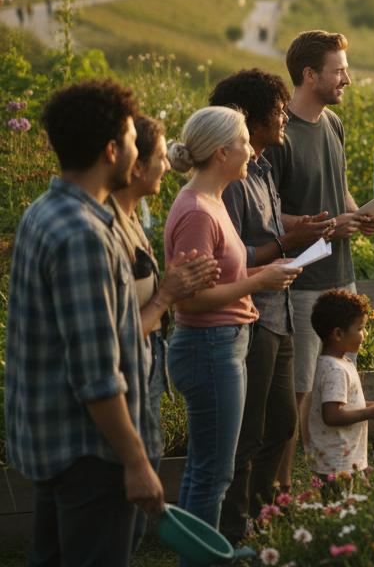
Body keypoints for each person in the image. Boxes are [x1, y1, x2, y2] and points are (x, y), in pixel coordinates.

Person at [6, 81, 160, 566]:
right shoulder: (83, 236)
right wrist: (136, 461)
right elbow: (96, 375)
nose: (136, 152)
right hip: (93, 455)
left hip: (56, 446)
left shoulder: (44, 211)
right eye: (132, 140)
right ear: (111, 150)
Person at [165, 106, 302, 530]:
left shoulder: (214, 201)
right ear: (222, 152)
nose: (251, 150)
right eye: (244, 142)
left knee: (210, 468)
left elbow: (224, 275)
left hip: (224, 342)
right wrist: (257, 282)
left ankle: (203, 551)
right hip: (209, 346)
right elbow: (190, 300)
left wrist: (263, 271)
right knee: (213, 473)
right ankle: (203, 555)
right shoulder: (198, 212)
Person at [211, 70, 328, 541]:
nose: (284, 117)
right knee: (248, 430)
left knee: (281, 423)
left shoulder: (261, 167)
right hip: (251, 315)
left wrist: (300, 230)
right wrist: (287, 243)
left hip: (278, 312)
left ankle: (264, 515)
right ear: (251, 117)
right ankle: (233, 527)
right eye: (277, 110)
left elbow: (269, 229)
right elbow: (235, 255)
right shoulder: (233, 181)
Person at [263, 30, 374, 485]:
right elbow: (269, 217)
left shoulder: (333, 124)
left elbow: (338, 188)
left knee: (338, 380)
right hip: (301, 283)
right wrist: (332, 225)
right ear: (310, 75)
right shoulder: (279, 136)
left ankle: (336, 472)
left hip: (340, 275)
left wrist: (359, 213)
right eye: (339, 71)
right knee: (300, 392)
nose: (347, 79)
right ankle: (282, 486)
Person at [107, 114, 220, 549]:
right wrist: (167, 295)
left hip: (145, 370)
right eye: (158, 155)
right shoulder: (102, 231)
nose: (168, 164)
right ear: (134, 165)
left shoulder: (132, 218)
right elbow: (111, 340)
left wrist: (173, 285)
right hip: (124, 380)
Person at [304, 291, 374, 478]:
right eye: (360, 328)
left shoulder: (339, 362)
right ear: (338, 334)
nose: (365, 334)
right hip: (338, 463)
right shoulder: (335, 370)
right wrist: (369, 413)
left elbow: (343, 403)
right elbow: (332, 415)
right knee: (348, 497)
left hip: (340, 459)